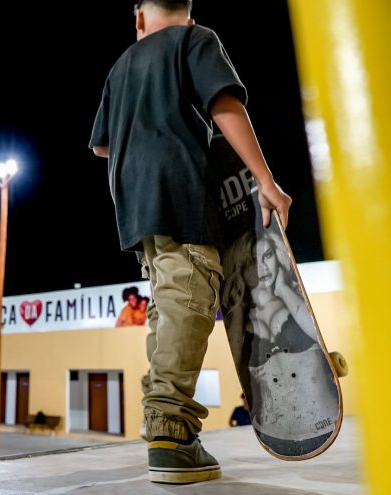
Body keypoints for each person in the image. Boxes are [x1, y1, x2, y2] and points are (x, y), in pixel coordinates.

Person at [89, 0, 291, 484]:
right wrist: (264, 179)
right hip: (179, 187)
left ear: (138, 17)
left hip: (134, 201)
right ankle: (172, 432)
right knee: (189, 295)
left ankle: (161, 418)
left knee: (167, 299)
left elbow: (101, 145)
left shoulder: (119, 67)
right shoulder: (194, 40)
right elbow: (224, 103)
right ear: (190, 13)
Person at [222, 229, 338, 453]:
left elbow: (316, 336)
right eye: (253, 262)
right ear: (242, 267)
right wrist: (237, 310)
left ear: (278, 256)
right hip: (274, 429)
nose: (264, 268)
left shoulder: (292, 296)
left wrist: (283, 289)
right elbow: (239, 363)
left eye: (268, 256)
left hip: (321, 418)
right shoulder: (239, 317)